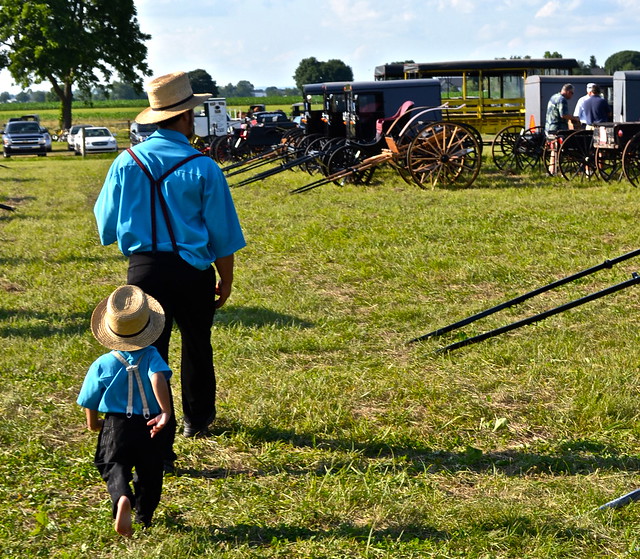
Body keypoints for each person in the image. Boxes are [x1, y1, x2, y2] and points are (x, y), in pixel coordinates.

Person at [93, 71, 246, 463]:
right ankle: (198, 418)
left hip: (144, 272)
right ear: (183, 118)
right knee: (198, 344)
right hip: (194, 270)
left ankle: (156, 439)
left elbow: (105, 224)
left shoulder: (125, 163)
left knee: (145, 353)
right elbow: (222, 234)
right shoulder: (204, 166)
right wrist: (225, 280)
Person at [78, 285, 172, 536]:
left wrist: (93, 423)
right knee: (150, 471)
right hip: (150, 424)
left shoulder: (103, 363)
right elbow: (157, 379)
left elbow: (90, 398)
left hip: (116, 425)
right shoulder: (152, 355)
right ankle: (144, 516)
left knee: (112, 463)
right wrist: (165, 411)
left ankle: (121, 497)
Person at [544, 83, 581, 174]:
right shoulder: (562, 100)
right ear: (568, 91)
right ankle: (555, 170)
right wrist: (574, 118)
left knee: (554, 149)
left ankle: (552, 170)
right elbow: (563, 115)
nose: (572, 95)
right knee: (561, 149)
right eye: (572, 93)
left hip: (549, 127)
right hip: (558, 128)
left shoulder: (554, 97)